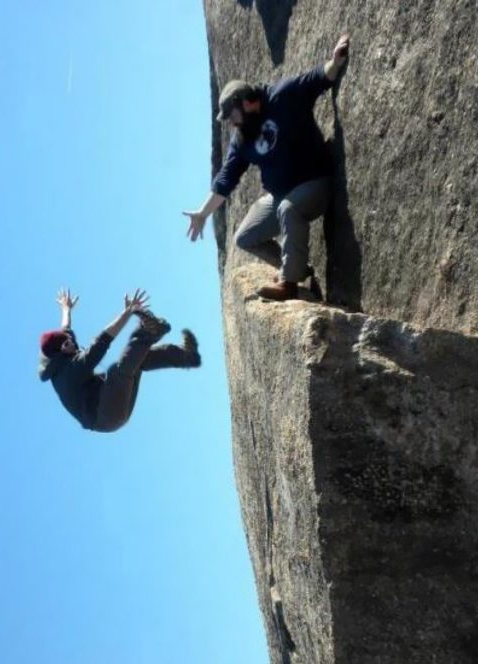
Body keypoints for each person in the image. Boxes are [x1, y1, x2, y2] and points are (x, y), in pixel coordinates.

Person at [183, 34, 350, 301]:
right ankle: (300, 270)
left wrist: (335, 62)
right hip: (279, 194)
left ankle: (289, 283)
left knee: (288, 208)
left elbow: (316, 80)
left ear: (247, 102)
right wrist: (203, 214)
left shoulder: (282, 97)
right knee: (245, 236)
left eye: (233, 116)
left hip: (314, 183)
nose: (232, 124)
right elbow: (226, 179)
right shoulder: (242, 139)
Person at [38, 288, 201, 432]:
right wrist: (128, 312)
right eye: (68, 344)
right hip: (105, 415)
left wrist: (66, 309)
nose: (73, 343)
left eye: (69, 339)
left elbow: (65, 329)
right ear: (60, 352)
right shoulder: (71, 371)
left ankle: (187, 356)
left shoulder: (62, 350)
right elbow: (102, 340)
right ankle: (150, 331)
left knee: (137, 361)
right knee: (117, 371)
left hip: (108, 403)